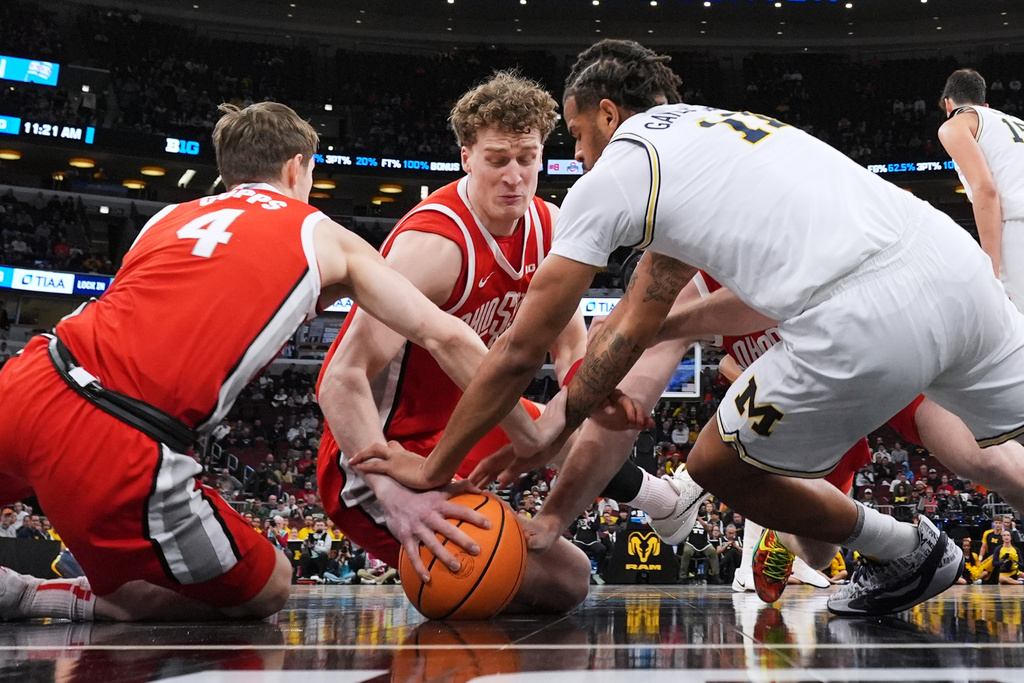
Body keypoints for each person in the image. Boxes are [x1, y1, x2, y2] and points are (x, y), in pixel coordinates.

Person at [352, 40, 1024, 617]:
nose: (578, 153)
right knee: (1005, 444)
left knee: (715, 468)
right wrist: (553, 430)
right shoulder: (715, 134)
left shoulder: (617, 171)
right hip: (956, 267)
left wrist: (436, 465)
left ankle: (909, 549)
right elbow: (634, 325)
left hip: (862, 318)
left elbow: (520, 349)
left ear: (606, 113)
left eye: (578, 134)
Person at [0, 101, 504, 622]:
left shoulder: (168, 217)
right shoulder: (322, 232)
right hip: (116, 436)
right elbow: (445, 335)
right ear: (296, 167)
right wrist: (530, 430)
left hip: (30, 374)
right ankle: (35, 596)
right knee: (269, 587)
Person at [315, 72, 596, 613]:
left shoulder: (553, 227)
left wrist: (575, 397)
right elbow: (341, 377)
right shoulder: (434, 246)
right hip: (385, 447)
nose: (515, 177)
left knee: (598, 416)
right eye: (497, 160)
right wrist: (392, 496)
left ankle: (664, 501)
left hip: (470, 427)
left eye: (527, 158)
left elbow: (570, 345)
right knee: (561, 580)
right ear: (466, 155)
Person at [939, 69, 1024, 312]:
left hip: (1017, 224)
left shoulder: (955, 124)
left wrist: (992, 274)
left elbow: (986, 190)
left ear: (948, 104)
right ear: (985, 104)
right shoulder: (1014, 122)